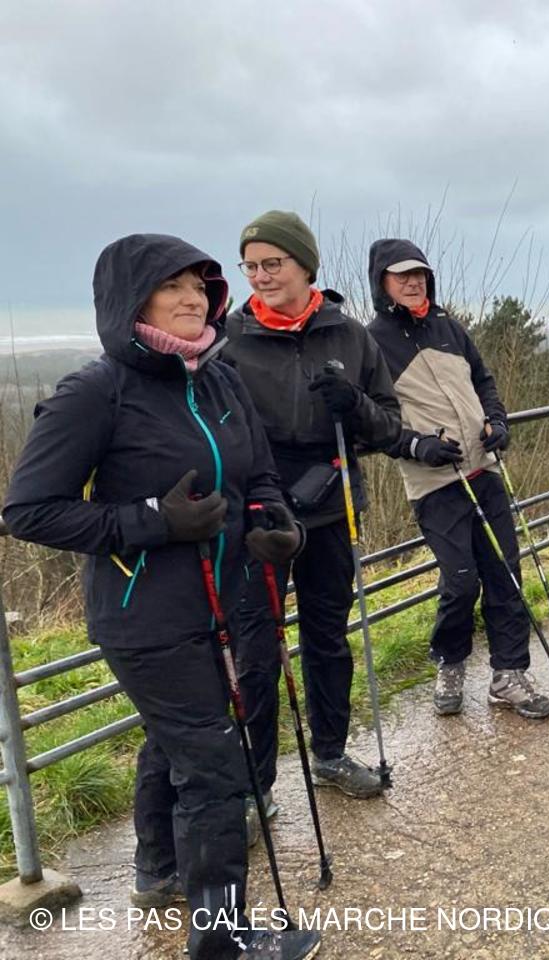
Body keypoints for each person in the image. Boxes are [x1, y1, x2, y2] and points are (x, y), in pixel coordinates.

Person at [2, 234, 320, 960]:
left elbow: (258, 476)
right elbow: (28, 511)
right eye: (171, 286)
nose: (192, 299)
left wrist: (277, 524)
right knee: (216, 770)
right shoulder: (96, 392)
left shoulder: (219, 379)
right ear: (131, 302)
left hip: (226, 602)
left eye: (200, 285)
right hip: (144, 617)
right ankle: (221, 942)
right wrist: (152, 521)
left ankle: (159, 870)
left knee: (179, 743)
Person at [224, 210, 401, 805]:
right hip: (258, 515)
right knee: (255, 651)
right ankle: (256, 787)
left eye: (272, 263)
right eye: (250, 266)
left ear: (305, 265)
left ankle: (329, 754)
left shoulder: (350, 335)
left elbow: (388, 426)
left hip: (331, 505)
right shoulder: (229, 341)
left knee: (328, 638)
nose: (261, 276)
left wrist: (352, 403)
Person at [365, 238, 549, 719]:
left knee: (505, 574)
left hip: (483, 468)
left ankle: (508, 674)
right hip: (434, 482)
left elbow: (483, 381)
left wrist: (498, 422)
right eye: (402, 275)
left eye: (420, 274)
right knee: (462, 580)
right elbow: (372, 422)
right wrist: (415, 445)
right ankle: (450, 663)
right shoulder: (372, 342)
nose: (413, 282)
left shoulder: (448, 325)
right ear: (382, 282)